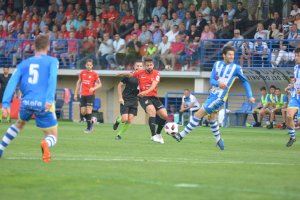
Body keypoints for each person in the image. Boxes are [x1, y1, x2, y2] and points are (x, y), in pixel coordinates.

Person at [172, 46, 255, 150]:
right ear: (224, 55)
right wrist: (218, 83)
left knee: (199, 113)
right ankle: (219, 139)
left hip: (220, 97)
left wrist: (250, 95)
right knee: (211, 118)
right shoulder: (217, 64)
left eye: (233, 55)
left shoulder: (236, 68)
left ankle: (181, 135)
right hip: (212, 94)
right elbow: (211, 80)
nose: (232, 56)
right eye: (229, 54)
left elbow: (245, 81)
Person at [0, 35, 59, 162]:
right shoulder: (52, 61)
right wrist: (49, 99)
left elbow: (12, 82)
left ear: (34, 47)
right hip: (43, 103)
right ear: (48, 46)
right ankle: (45, 143)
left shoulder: (23, 64)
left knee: (19, 124)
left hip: (26, 102)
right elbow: (52, 79)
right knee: (53, 135)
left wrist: (5, 104)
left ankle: (0, 148)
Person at [123, 57, 169, 144]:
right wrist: (121, 74)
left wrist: (145, 92)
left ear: (153, 65)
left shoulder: (156, 73)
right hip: (143, 97)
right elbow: (130, 74)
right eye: (147, 65)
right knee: (152, 111)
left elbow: (153, 86)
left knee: (164, 115)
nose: (149, 67)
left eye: (151, 65)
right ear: (145, 66)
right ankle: (153, 135)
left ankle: (158, 134)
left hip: (153, 97)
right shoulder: (140, 73)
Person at [113, 61, 144, 140]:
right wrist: (120, 97)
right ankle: (118, 120)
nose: (139, 67)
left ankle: (119, 135)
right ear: (134, 67)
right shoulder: (129, 75)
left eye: (141, 66)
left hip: (135, 100)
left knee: (129, 120)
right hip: (125, 99)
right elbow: (119, 85)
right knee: (124, 119)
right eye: (137, 65)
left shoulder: (144, 77)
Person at [74, 59, 102, 133]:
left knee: (89, 110)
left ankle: (89, 128)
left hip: (90, 95)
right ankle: (92, 121)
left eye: (90, 65)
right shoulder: (82, 73)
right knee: (83, 112)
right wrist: (76, 93)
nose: (89, 66)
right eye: (88, 65)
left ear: (92, 66)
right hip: (83, 95)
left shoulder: (95, 74)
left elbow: (100, 84)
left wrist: (93, 88)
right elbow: (78, 83)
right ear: (85, 65)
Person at [285, 48, 300, 147]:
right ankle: (293, 137)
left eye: (298, 56)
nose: (296, 58)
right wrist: (290, 86)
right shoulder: (295, 67)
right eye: (296, 55)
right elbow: (295, 81)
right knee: (289, 116)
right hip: (295, 97)